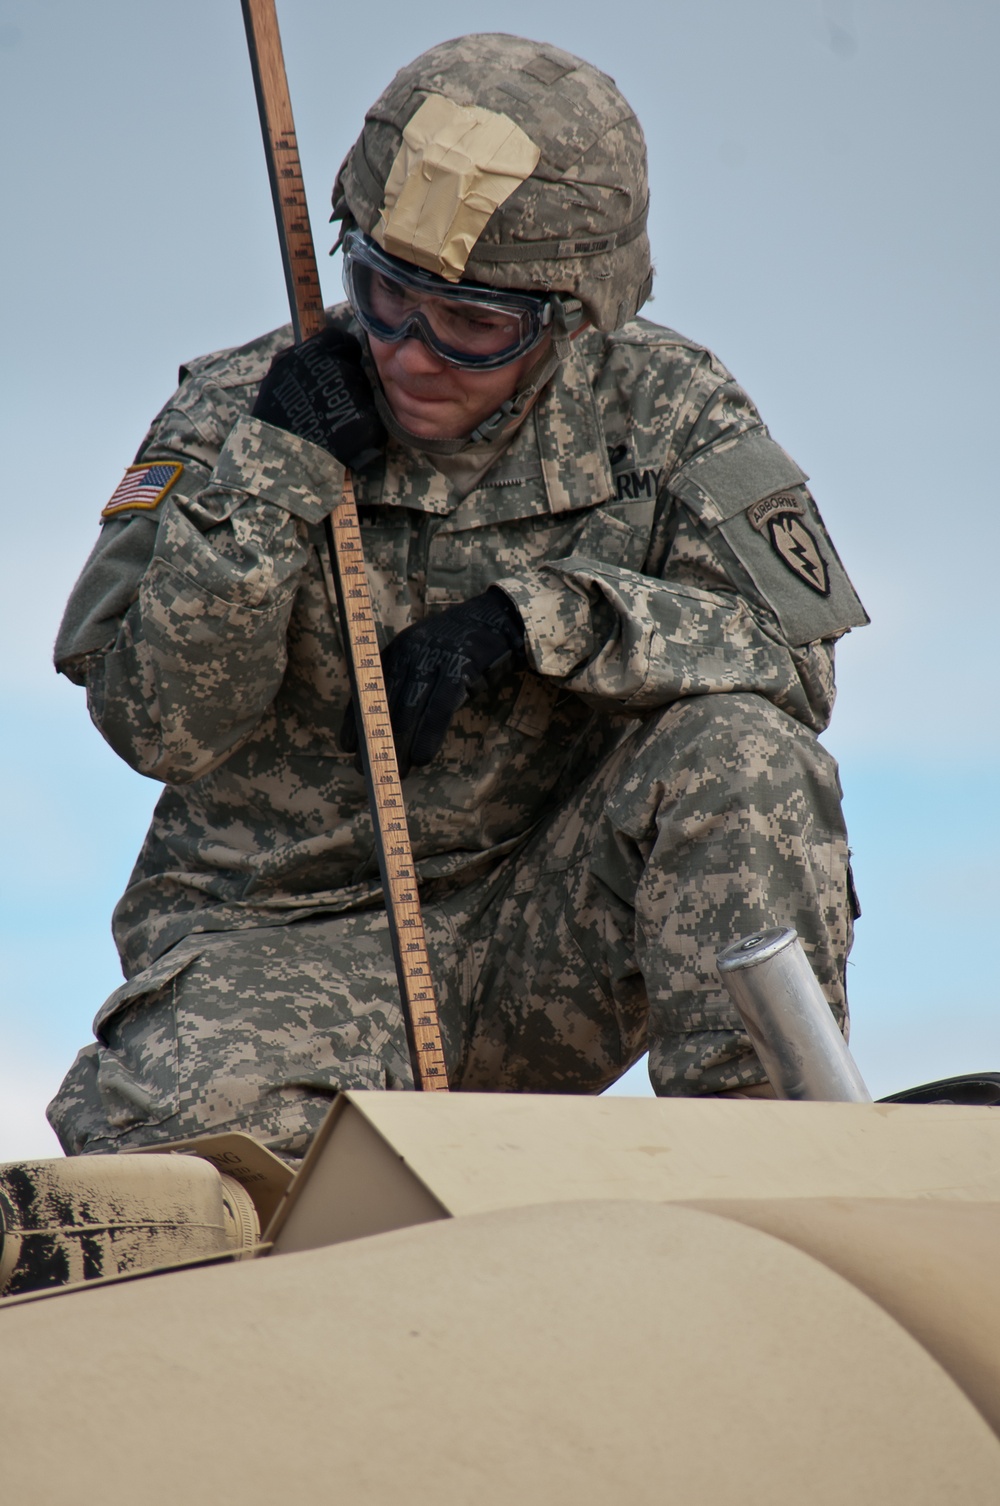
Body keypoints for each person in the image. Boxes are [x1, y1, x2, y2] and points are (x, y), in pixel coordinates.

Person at [48, 34, 868, 1163]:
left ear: (573, 316)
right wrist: (273, 478)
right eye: (384, 294)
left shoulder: (668, 409)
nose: (411, 354)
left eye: (473, 324)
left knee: (744, 752)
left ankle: (772, 1175)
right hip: (284, 948)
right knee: (197, 1193)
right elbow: (158, 724)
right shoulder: (238, 415)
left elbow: (794, 664)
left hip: (547, 933)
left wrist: (536, 622)